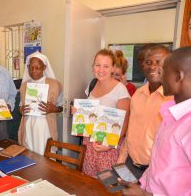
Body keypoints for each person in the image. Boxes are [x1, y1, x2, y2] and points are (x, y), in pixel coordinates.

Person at [120, 46, 191, 196]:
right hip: (137, 171)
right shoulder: (171, 112)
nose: (158, 72)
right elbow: (158, 163)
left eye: (164, 68)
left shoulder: (187, 125)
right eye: (149, 62)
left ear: (178, 76)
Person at [117, 45, 172, 179]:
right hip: (130, 165)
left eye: (160, 62)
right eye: (149, 62)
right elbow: (131, 131)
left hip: (156, 172)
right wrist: (120, 162)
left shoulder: (174, 100)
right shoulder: (137, 95)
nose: (153, 67)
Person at [81, 49, 130, 177]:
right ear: (93, 66)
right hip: (90, 146)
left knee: (107, 186)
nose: (101, 70)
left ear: (113, 68)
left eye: (106, 66)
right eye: (98, 65)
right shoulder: (92, 85)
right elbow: (89, 113)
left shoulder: (120, 90)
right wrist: (78, 112)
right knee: (89, 183)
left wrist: (109, 145)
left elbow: (125, 123)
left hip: (109, 147)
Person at [18, 51, 63, 155]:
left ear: (44, 67)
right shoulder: (24, 85)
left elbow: (63, 107)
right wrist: (21, 110)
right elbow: (21, 106)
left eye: (37, 67)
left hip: (45, 128)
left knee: (45, 157)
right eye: (31, 67)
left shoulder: (55, 85)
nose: (33, 71)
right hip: (28, 127)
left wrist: (55, 109)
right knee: (29, 157)